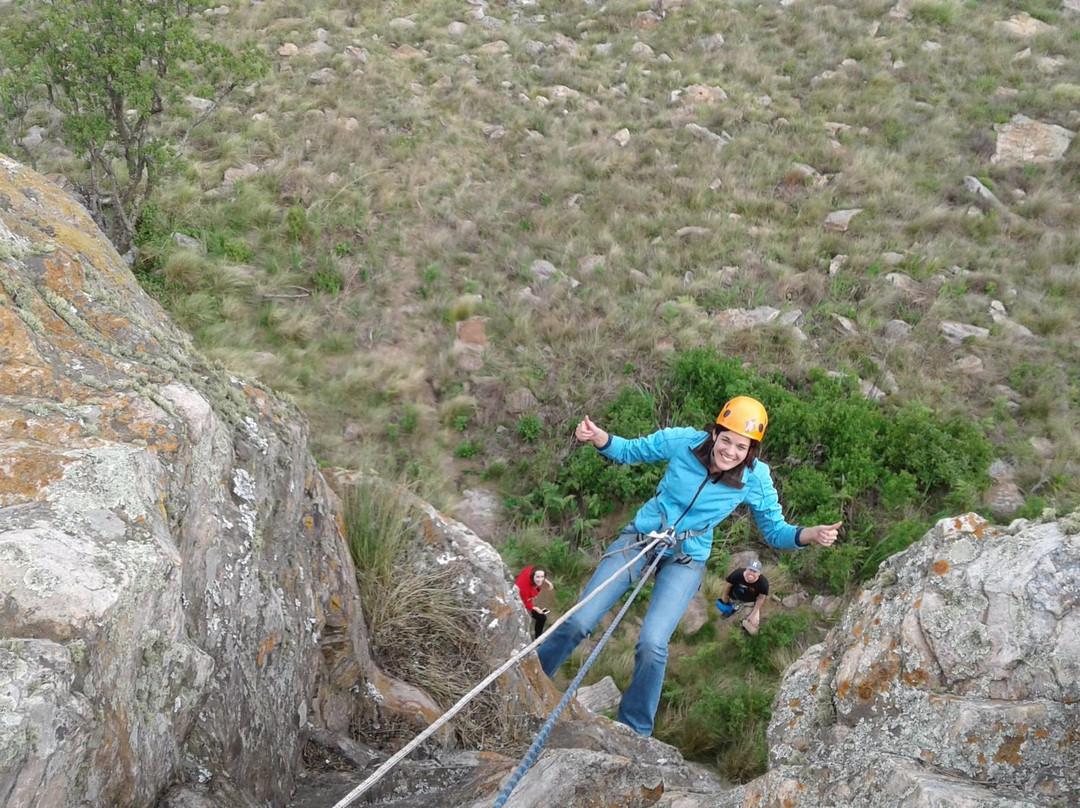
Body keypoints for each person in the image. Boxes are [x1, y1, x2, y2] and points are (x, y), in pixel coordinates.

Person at [536, 396, 840, 736]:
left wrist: (810, 534)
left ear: (751, 449)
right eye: (725, 440)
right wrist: (599, 438)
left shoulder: (755, 478)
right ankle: (532, 681)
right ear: (715, 433)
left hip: (687, 556)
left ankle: (634, 731)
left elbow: (775, 530)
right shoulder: (684, 442)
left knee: (652, 643)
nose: (730, 451)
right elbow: (631, 451)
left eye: (741, 446)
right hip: (642, 537)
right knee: (579, 619)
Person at [716, 557, 769, 635]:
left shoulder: (763, 583)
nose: (751, 573)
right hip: (733, 599)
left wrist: (753, 615)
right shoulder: (737, 574)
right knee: (721, 607)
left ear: (759, 573)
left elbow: (761, 599)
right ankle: (731, 611)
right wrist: (724, 597)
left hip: (749, 604)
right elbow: (728, 585)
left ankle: (743, 622)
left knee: (753, 631)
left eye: (754, 571)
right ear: (746, 569)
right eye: (750, 570)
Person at [515, 566, 554, 639]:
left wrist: (547, 582)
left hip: (525, 597)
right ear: (533, 576)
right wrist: (535, 608)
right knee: (542, 618)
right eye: (538, 577)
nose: (540, 580)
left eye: (542, 577)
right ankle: (538, 639)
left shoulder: (531, 570)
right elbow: (524, 603)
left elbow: (537, 571)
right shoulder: (524, 589)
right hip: (520, 601)